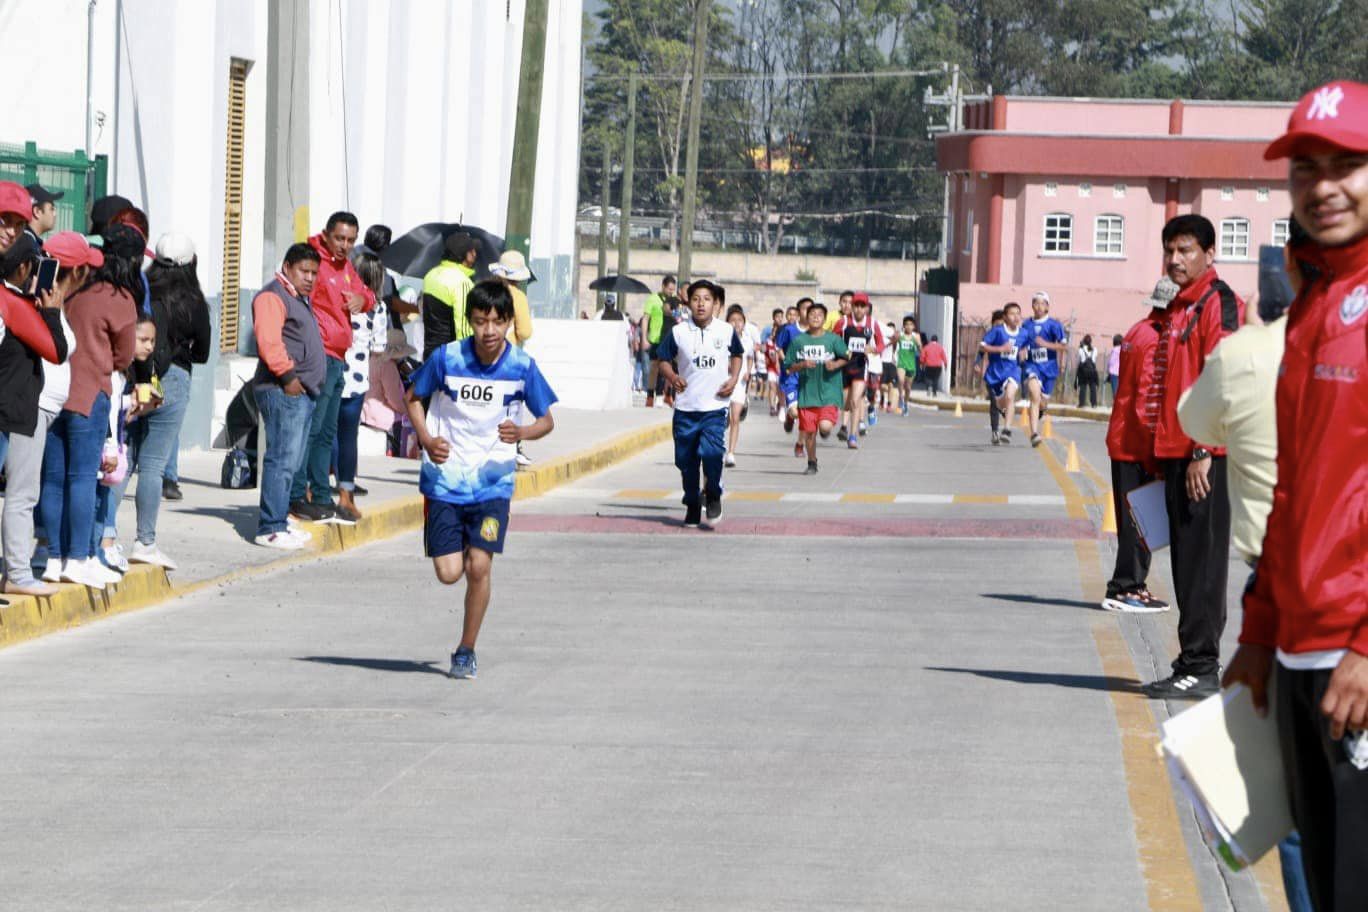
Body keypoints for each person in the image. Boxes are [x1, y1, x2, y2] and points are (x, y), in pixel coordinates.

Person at [1222, 79, 1368, 912]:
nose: (1323, 185)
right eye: (1305, 168)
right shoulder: (1315, 304)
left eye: (1346, 164)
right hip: (1304, 652)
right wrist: (1261, 628)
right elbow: (1299, 486)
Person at [1178, 234, 1311, 912]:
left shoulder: (1248, 354)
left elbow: (1191, 417)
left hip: (1290, 593)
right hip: (1310, 592)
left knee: (1293, 793)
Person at [405, 280, 557, 680]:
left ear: (509, 322)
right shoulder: (446, 358)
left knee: (478, 567)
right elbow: (413, 398)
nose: (489, 331)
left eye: (497, 322)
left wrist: (521, 434)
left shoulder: (521, 366)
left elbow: (546, 421)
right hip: (445, 481)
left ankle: (466, 650)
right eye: (480, 322)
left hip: (493, 484)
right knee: (449, 572)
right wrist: (426, 439)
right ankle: (439, 533)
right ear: (469, 322)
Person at [1140, 213, 1245, 699]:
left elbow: (1223, 375)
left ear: (1208, 253)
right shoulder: (1180, 308)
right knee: (1185, 564)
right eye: (1170, 250)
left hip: (1205, 455)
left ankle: (1202, 667)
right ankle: (1191, 659)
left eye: (1185, 250)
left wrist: (1205, 448)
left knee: (1202, 565)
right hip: (1178, 453)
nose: (1175, 259)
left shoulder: (1216, 302)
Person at [101, 232, 212, 571]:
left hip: (136, 379)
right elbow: (204, 352)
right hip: (173, 381)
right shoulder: (193, 301)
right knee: (152, 465)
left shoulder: (142, 290)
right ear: (191, 263)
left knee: (125, 458)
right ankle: (145, 542)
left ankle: (104, 532)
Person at [38, 225, 139, 589]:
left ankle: (51, 556)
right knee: (82, 479)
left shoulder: (53, 293)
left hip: (50, 394)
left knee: (51, 479)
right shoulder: (117, 298)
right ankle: (78, 558)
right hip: (89, 393)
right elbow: (125, 354)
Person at [0, 231, 75, 597]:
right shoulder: (14, 304)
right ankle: (16, 571)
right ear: (26, 267)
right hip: (16, 413)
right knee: (21, 495)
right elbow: (56, 350)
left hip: (13, 411)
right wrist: (52, 311)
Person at [293, 212, 376, 525]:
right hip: (320, 355)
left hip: (340, 356)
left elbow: (367, 294)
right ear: (327, 235)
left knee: (328, 433)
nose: (345, 245)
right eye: (340, 238)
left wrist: (361, 299)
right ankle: (301, 494)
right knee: (312, 431)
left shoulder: (345, 266)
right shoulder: (314, 263)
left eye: (351, 240)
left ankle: (322, 494)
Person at [1101, 278, 1177, 613]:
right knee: (1139, 520)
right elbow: (1149, 398)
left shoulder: (1137, 331)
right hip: (1137, 445)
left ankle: (1132, 583)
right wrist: (1155, 453)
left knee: (1133, 517)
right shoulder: (1158, 339)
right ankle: (1126, 587)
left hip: (1123, 439)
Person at [251, 244, 326, 550]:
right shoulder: (273, 295)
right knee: (281, 459)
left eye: (314, 273)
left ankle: (280, 519)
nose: (309, 278)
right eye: (303, 271)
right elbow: (269, 342)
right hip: (282, 390)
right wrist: (289, 378)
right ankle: (270, 526)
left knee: (291, 462)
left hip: (301, 392)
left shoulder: (298, 297)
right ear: (287, 267)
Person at [655, 280, 742, 527]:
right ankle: (692, 503)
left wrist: (733, 378)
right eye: (696, 299)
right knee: (686, 462)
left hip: (715, 407)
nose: (701, 303)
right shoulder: (679, 332)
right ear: (688, 302)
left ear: (715, 303)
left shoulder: (725, 331)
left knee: (713, 454)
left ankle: (713, 493)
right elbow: (662, 359)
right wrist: (672, 377)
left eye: (706, 299)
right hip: (686, 408)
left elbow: (737, 355)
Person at [333, 252, 390, 519]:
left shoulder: (339, 299)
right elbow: (378, 348)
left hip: (333, 373)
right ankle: (346, 487)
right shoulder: (376, 307)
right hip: (356, 379)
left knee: (325, 434)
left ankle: (320, 482)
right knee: (348, 436)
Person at [783, 301, 848, 475]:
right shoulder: (799, 341)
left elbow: (846, 356)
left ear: (824, 318)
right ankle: (812, 462)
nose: (815, 317)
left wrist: (834, 365)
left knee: (825, 427)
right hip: (807, 393)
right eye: (812, 314)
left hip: (829, 391)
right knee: (810, 432)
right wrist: (802, 364)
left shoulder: (833, 339)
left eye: (819, 315)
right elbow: (788, 366)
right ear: (806, 317)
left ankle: (825, 429)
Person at [834, 293, 883, 448]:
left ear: (867, 308)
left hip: (861, 366)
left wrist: (873, 349)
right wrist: (840, 351)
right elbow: (833, 341)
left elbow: (881, 345)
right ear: (852, 307)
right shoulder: (843, 322)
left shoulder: (872, 323)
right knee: (846, 402)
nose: (859, 309)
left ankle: (852, 435)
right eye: (856, 306)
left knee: (856, 401)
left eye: (863, 306)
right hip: (844, 366)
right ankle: (844, 426)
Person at [1020, 291, 1068, 447]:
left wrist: (1046, 344)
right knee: (1034, 395)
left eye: (1042, 303)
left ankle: (1040, 410)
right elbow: (1021, 342)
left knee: (1042, 402)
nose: (1039, 306)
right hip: (1032, 365)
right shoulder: (1026, 324)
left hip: (1049, 367)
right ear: (1032, 305)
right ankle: (1034, 433)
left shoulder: (1054, 325)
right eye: (1036, 303)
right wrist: (1022, 350)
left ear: (1047, 306)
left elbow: (1063, 346)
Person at [421, 231, 476, 360]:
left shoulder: (430, 274)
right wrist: (470, 361)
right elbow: (464, 329)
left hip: (430, 353)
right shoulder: (462, 282)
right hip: (450, 357)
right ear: (465, 255)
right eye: (472, 251)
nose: (475, 254)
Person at [979, 303, 1027, 445]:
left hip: (1012, 371)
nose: (1016, 316)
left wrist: (1025, 354)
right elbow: (982, 346)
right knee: (1000, 404)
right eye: (1012, 314)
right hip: (996, 373)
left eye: (1018, 313)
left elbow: (1028, 345)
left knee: (1010, 395)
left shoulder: (1023, 333)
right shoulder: (998, 331)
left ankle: (1006, 429)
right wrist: (1001, 348)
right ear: (1005, 317)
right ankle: (1004, 420)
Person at [723, 304, 755, 467]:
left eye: (739, 320)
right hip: (723, 383)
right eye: (732, 320)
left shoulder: (747, 341)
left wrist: (748, 371)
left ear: (744, 323)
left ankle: (730, 453)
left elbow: (750, 357)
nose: (736, 323)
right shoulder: (722, 338)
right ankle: (719, 447)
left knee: (735, 417)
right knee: (723, 419)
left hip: (740, 384)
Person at [640, 275, 676, 408]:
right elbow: (645, 318)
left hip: (668, 338)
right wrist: (644, 337)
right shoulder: (653, 299)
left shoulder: (674, 301)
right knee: (654, 368)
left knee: (665, 367)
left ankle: (662, 395)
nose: (671, 292)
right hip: (655, 338)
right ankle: (650, 395)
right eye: (669, 289)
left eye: (673, 289)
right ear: (663, 286)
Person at [774, 301, 805, 432]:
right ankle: (783, 407)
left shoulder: (812, 331)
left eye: (794, 314)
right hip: (789, 369)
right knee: (781, 386)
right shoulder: (785, 329)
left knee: (803, 410)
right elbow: (778, 347)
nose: (792, 317)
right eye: (790, 314)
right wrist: (785, 361)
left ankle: (790, 414)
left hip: (805, 373)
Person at [972, 310, 1004, 439]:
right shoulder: (990, 336)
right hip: (992, 374)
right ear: (993, 324)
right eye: (997, 324)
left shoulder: (1011, 336)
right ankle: (995, 431)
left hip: (1008, 375)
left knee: (1004, 402)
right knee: (994, 402)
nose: (999, 327)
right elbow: (981, 351)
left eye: (1002, 324)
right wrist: (977, 363)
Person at [896, 316, 921, 417]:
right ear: (903, 326)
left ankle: (906, 404)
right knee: (901, 380)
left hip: (911, 365)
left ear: (914, 326)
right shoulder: (900, 335)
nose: (908, 326)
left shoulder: (916, 336)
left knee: (908, 388)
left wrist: (919, 345)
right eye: (906, 324)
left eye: (911, 324)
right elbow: (893, 343)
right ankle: (901, 398)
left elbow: (920, 350)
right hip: (901, 363)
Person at [25, 183, 61, 248]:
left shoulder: (30, 240)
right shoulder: (26, 245)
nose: (55, 214)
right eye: (51, 209)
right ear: (37, 212)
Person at [1076, 334, 1100, 407]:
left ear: (1084, 341)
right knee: (1093, 387)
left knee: (1083, 387)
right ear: (1091, 342)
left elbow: (1080, 359)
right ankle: (1094, 404)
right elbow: (1094, 358)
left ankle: (1081, 403)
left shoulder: (1080, 349)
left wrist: (1081, 346)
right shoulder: (1095, 349)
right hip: (1092, 370)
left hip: (1083, 371)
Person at [1107, 333, 1123, 402]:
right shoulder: (1124, 349)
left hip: (1114, 373)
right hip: (1121, 373)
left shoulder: (1115, 349)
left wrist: (1108, 370)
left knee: (1115, 392)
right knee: (1120, 392)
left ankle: (1116, 406)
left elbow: (1111, 362)